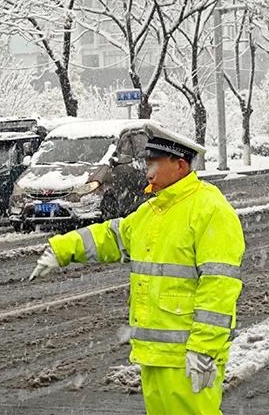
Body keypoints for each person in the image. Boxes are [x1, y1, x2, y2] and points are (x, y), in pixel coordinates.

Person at [29, 124, 245, 415]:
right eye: (146, 165)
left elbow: (219, 288)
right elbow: (112, 236)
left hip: (188, 356)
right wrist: (61, 249)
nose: (148, 174)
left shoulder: (210, 211)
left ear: (180, 165)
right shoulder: (151, 212)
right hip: (155, 355)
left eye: (154, 165)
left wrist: (204, 349)